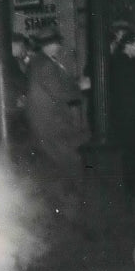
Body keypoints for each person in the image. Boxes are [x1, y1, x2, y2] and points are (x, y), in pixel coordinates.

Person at [25, 27, 88, 206]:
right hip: (51, 122)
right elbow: (60, 93)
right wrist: (80, 88)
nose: (58, 46)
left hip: (46, 122)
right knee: (71, 162)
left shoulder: (39, 62)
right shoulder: (46, 64)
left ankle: (62, 202)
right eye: (55, 43)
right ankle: (72, 204)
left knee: (57, 163)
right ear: (49, 45)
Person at [108, 31, 135, 200]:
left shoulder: (123, 61)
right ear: (128, 46)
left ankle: (129, 185)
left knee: (129, 150)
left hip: (127, 113)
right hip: (127, 114)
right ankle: (128, 187)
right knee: (129, 150)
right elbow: (131, 91)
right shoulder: (124, 63)